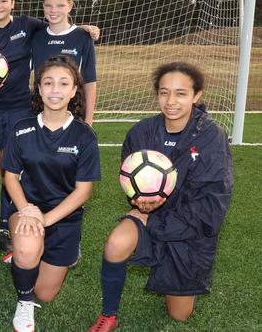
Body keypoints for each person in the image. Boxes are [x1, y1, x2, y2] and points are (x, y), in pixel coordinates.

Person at [87, 62, 233, 332]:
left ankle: (179, 286)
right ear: (157, 94)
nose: (171, 101)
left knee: (179, 315)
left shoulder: (212, 137)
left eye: (181, 93)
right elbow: (130, 180)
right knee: (116, 243)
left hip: (188, 232)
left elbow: (210, 211)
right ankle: (108, 315)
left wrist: (153, 221)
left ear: (196, 96)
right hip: (148, 214)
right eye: (164, 92)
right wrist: (139, 203)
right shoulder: (142, 132)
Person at [0, 0, 99, 254]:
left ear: (13, 3)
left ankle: (9, 225)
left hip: (21, 109)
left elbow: (61, 28)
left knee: (16, 171)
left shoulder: (28, 26)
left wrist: (84, 29)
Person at [2, 55, 100, 331]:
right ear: (39, 89)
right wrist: (28, 211)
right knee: (27, 250)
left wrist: (46, 219)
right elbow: (10, 177)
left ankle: (41, 253)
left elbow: (83, 192)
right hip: (27, 209)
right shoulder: (22, 128)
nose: (55, 90)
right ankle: (23, 301)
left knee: (46, 293)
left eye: (63, 83)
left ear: (73, 91)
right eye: (48, 83)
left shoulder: (84, 136)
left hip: (64, 219)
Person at [32, 0, 97, 125]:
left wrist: (89, 120)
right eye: (48, 5)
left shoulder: (83, 37)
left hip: (75, 113)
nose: (53, 10)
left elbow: (90, 81)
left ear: (70, 6)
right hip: (40, 112)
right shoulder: (36, 37)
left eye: (60, 5)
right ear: (43, 6)